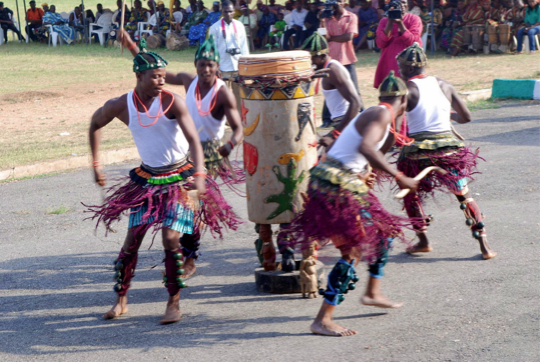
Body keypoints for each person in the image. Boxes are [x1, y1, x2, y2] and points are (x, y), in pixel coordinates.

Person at [86, 32, 239, 324]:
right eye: (155, 77)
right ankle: (121, 299)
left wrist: (200, 173)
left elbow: (194, 139)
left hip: (179, 178)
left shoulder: (173, 102)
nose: (161, 80)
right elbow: (94, 123)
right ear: (139, 76)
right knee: (132, 241)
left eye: (162, 76)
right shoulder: (121, 105)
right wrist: (96, 164)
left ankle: (173, 303)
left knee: (171, 239)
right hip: (147, 181)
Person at [289, 71, 420, 337]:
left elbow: (367, 158)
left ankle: (373, 292)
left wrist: (367, 173)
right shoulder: (382, 114)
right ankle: (323, 319)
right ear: (403, 100)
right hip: (333, 184)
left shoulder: (386, 125)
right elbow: (366, 147)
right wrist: (400, 176)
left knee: (383, 234)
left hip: (341, 182)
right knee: (353, 252)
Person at [395, 43, 497, 260]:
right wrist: (447, 117)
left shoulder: (406, 90)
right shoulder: (444, 85)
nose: (399, 72)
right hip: (450, 152)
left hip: (417, 156)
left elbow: (395, 127)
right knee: (464, 195)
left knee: (409, 191)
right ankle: (485, 246)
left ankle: (423, 241)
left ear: (410, 69)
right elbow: (466, 117)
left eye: (401, 67)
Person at [164, 36, 245, 275]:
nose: (206, 69)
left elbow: (239, 128)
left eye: (210, 64)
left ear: (217, 66)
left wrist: (230, 145)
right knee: (182, 203)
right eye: (202, 64)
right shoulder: (188, 82)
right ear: (196, 65)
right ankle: (181, 250)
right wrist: (132, 46)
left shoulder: (223, 94)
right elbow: (157, 74)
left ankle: (189, 258)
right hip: (184, 150)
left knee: (191, 204)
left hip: (209, 154)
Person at [300, 32, 362, 147]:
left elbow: (356, 103)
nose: (310, 63)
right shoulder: (326, 69)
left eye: (312, 59)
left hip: (346, 123)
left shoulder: (332, 70)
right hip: (343, 122)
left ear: (322, 56)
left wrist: (334, 134)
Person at [320, 0, 361, 126]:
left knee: (354, 89)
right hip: (331, 60)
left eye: (337, 2)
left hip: (347, 58)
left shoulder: (351, 16)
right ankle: (326, 119)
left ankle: (360, 113)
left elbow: (348, 37)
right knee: (330, 91)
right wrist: (321, 20)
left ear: (344, 2)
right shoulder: (326, 18)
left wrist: (331, 38)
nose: (334, 5)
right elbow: (322, 37)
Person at [209, 1, 249, 112]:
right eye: (226, 12)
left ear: (234, 11)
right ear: (222, 12)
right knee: (223, 95)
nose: (228, 14)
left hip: (237, 66)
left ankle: (240, 117)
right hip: (223, 67)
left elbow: (244, 47)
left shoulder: (239, 26)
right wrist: (215, 68)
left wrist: (246, 66)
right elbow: (212, 50)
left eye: (231, 11)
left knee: (239, 95)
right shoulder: (215, 28)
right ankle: (224, 118)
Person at [373, 0, 422, 88]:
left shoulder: (414, 19)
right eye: (398, 3)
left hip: (409, 64)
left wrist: (400, 23)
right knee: (391, 91)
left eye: (403, 2)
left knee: (410, 92)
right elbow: (380, 44)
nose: (401, 5)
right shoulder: (384, 22)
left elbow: (412, 42)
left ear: (407, 5)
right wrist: (390, 22)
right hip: (389, 62)